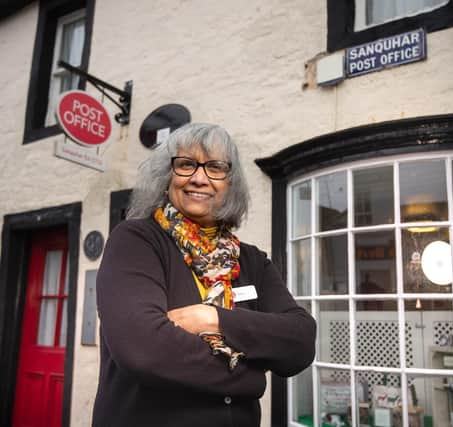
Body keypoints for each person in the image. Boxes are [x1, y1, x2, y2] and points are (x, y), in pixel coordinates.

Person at [92, 123, 316, 427]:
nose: (199, 178)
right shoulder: (136, 240)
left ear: (230, 183)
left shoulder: (250, 260)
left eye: (215, 167)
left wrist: (212, 318)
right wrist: (252, 379)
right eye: (186, 165)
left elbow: (300, 342)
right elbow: (144, 350)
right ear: (166, 177)